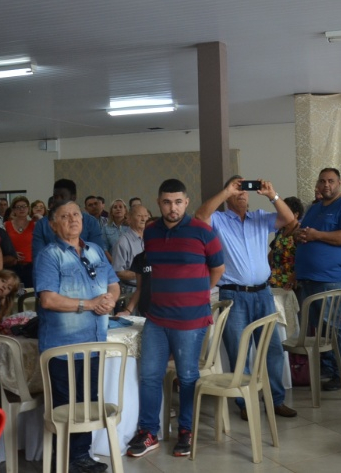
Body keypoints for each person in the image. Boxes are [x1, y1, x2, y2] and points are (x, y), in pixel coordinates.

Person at [127, 179, 224, 459]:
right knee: (149, 376)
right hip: (156, 317)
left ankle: (186, 431)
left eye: (178, 202)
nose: (173, 208)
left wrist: (199, 292)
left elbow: (218, 267)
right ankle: (148, 432)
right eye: (167, 202)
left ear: (186, 202)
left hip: (191, 319)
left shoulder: (203, 232)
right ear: (159, 203)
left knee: (187, 377)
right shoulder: (151, 232)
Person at [195, 176, 298, 420]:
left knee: (272, 348)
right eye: (236, 189)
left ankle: (276, 400)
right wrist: (225, 191)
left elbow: (290, 220)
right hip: (234, 295)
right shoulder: (218, 220)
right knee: (240, 351)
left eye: (244, 189)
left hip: (262, 293)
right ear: (229, 194)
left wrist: (272, 195)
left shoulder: (261, 217)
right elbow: (199, 217)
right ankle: (245, 402)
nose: (241, 193)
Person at [35, 199, 118, 473]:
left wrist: (109, 300)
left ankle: (81, 456)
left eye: (76, 215)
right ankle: (66, 460)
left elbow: (113, 284)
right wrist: (90, 304)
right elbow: (47, 299)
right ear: (53, 224)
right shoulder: (49, 255)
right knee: (67, 405)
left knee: (87, 401)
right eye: (65, 216)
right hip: (62, 347)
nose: (73, 219)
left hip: (94, 344)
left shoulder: (95, 250)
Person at [293, 168, 341, 391]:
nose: (326, 185)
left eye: (331, 181)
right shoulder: (314, 208)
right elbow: (305, 231)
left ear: (339, 183)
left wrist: (316, 235)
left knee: (334, 326)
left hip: (331, 279)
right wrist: (300, 235)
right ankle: (326, 367)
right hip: (308, 278)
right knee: (317, 328)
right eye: (322, 181)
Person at [32, 179, 105, 272]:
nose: (58, 200)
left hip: (86, 275)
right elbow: (39, 259)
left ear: (73, 197)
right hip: (52, 275)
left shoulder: (90, 222)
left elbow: (97, 255)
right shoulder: (42, 224)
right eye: (55, 197)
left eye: (62, 197)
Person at [114, 204, 152, 305]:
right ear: (129, 219)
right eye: (139, 216)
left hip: (151, 290)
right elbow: (118, 272)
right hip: (131, 292)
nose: (144, 219)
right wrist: (144, 273)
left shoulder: (152, 238)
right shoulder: (123, 242)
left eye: (146, 215)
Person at [268, 197, 303, 291]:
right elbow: (272, 252)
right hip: (275, 281)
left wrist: (295, 276)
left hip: (292, 283)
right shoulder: (280, 230)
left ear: (296, 214)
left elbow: (305, 258)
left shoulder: (300, 232)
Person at [4, 195, 35, 287]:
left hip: (30, 266)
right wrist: (13, 254)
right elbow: (3, 246)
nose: (22, 209)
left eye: (24, 206)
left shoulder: (35, 225)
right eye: (18, 207)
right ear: (13, 210)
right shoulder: (6, 225)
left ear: (28, 208)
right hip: (12, 265)